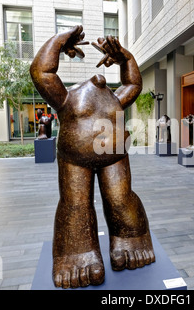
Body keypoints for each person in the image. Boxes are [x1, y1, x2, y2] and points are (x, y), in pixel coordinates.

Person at [30, 26, 155, 289]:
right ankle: (76, 252)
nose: (97, 79)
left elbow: (133, 83)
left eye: (102, 82)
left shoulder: (116, 100)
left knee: (121, 199)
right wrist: (59, 40)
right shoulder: (67, 99)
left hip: (115, 158)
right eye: (87, 82)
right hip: (76, 159)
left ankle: (131, 237)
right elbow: (41, 72)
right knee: (75, 205)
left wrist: (126, 58)